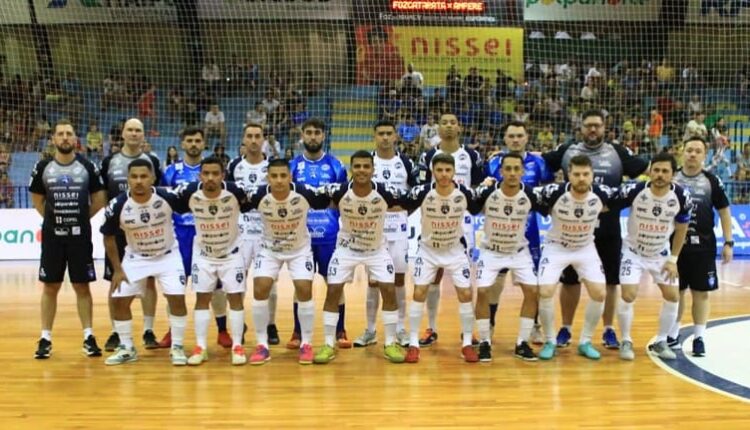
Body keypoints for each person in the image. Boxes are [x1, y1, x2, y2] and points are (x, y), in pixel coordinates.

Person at [542, 109, 648, 350]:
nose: (592, 129)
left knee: (610, 283)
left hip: (608, 230)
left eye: (597, 125)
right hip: (573, 230)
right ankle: (566, 328)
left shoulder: (617, 152)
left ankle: (608, 329)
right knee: (570, 282)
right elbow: (540, 161)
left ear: (604, 128)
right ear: (581, 128)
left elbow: (646, 167)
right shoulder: (568, 150)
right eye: (588, 125)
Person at [313, 150, 408, 364]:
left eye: (366, 166)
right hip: (346, 249)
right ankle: (328, 344)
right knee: (333, 291)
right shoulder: (339, 191)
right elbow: (313, 199)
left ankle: (390, 343)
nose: (362, 170)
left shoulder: (385, 192)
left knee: (389, 290)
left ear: (373, 170)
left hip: (376, 250)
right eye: (357, 166)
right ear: (351, 169)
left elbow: (408, 204)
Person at [29, 119, 107, 359]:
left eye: (69, 133)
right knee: (50, 286)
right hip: (52, 238)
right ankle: (45, 338)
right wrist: (53, 220)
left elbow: (99, 198)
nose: (65, 137)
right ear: (53, 139)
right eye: (60, 134)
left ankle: (88, 336)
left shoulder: (87, 166)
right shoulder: (43, 167)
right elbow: (37, 200)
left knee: (82, 286)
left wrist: (80, 218)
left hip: (79, 237)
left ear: (75, 139)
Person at [101, 159, 188, 366]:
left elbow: (195, 204)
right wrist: (117, 270)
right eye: (134, 177)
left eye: (143, 176)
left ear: (152, 178)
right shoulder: (118, 205)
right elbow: (108, 237)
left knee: (177, 298)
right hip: (136, 257)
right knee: (119, 300)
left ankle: (177, 347)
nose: (139, 181)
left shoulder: (168, 196)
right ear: (128, 179)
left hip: (168, 255)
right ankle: (127, 347)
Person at [245, 159, 332, 365]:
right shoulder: (258, 195)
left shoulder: (303, 192)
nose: (279, 180)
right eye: (274, 176)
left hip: (299, 250)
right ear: (268, 178)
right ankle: (262, 345)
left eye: (283, 176)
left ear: (290, 177)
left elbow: (329, 200)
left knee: (304, 288)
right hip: (270, 250)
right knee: (260, 287)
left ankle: (306, 343)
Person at [534, 155, 617, 361]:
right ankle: (550, 341)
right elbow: (528, 195)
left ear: (592, 175)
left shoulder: (602, 193)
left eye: (586, 174)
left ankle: (585, 342)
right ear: (568, 175)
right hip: (556, 247)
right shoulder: (554, 192)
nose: (581, 178)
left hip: (585, 248)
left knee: (599, 292)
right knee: (545, 291)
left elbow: (627, 197)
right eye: (577, 174)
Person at [172, 157, 252, 366]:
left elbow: (252, 202)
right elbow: (170, 201)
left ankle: (237, 346)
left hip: (232, 255)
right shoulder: (190, 192)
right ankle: (201, 347)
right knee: (202, 299)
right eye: (206, 173)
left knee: (235, 299)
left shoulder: (235, 191)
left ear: (222, 175)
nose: (210, 178)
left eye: (215, 173)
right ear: (200, 175)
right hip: (203, 256)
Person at [403, 153, 482, 363]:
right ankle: (413, 344)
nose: (444, 174)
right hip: (428, 251)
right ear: (433, 172)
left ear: (454, 171)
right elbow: (400, 204)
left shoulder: (463, 192)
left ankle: (467, 343)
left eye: (448, 170)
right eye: (439, 170)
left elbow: (479, 208)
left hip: (455, 251)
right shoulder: (422, 192)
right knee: (419, 292)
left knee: (465, 293)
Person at [614, 153, 692, 360]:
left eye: (665, 171)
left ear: (673, 174)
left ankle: (661, 341)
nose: (659, 175)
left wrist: (673, 260)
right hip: (633, 252)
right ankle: (626, 340)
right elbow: (610, 205)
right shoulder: (635, 190)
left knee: (673, 296)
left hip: (661, 253)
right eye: (656, 170)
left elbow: (682, 229)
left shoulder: (681, 196)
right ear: (650, 171)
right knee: (628, 295)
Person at [417, 113, 484, 348]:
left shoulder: (472, 156)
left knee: (464, 282)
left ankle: (468, 332)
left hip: (463, 224)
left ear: (459, 127)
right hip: (435, 222)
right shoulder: (428, 156)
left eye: (452, 122)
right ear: (438, 128)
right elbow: (421, 188)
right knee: (432, 277)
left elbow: (478, 187)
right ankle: (431, 328)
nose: (448, 126)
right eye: (444, 122)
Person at [484, 121, 553, 344]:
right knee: (495, 283)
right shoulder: (494, 162)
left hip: (529, 233)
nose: (515, 140)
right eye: (511, 136)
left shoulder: (539, 162)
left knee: (533, 284)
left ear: (526, 137)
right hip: (499, 232)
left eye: (519, 135)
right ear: (505, 139)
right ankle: (490, 324)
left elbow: (549, 189)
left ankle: (535, 326)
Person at [99, 118, 162, 352]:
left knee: (149, 280)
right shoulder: (109, 162)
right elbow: (103, 196)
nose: (134, 134)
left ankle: (148, 330)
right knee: (115, 279)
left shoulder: (153, 161)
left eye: (138, 130)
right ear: (123, 133)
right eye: (130, 130)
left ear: (143, 135)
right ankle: (117, 331)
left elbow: (159, 194)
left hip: (146, 230)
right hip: (118, 231)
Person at [354, 120, 416, 348]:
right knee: (373, 281)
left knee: (398, 279)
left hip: (398, 229)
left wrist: (403, 211)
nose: (385, 137)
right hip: (373, 230)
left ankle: (400, 329)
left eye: (389, 133)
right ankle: (370, 330)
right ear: (374, 136)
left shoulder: (406, 163)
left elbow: (416, 194)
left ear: (396, 136)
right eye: (381, 133)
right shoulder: (367, 162)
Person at [474, 153, 542, 362]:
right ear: (501, 171)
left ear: (522, 171)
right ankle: (484, 342)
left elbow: (552, 209)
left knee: (533, 291)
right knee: (483, 291)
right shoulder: (487, 192)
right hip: (491, 251)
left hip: (518, 251)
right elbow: (469, 207)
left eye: (516, 169)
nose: (512, 173)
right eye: (508, 169)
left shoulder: (530, 194)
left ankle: (522, 343)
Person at [669, 136, 733, 357]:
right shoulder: (672, 178)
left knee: (701, 293)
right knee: (675, 293)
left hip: (703, 247)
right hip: (675, 247)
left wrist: (728, 242)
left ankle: (698, 338)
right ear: (682, 152)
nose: (693, 154)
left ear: (704, 155)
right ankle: (672, 335)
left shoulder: (711, 181)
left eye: (698, 151)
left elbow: (724, 211)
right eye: (689, 150)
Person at [289, 118, 349, 349]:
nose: (313, 136)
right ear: (302, 135)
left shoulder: (336, 165)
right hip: (301, 237)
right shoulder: (292, 166)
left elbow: (343, 199)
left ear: (323, 136)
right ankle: (297, 332)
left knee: (334, 283)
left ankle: (340, 330)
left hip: (329, 236)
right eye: (309, 132)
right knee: (301, 285)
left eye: (317, 132)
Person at [227, 123, 276, 344]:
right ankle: (239, 325)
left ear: (263, 139)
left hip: (266, 231)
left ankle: (271, 325)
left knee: (269, 282)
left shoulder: (271, 166)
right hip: (241, 232)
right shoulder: (234, 165)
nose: (254, 140)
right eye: (250, 136)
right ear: (244, 139)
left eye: (258, 136)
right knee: (238, 280)